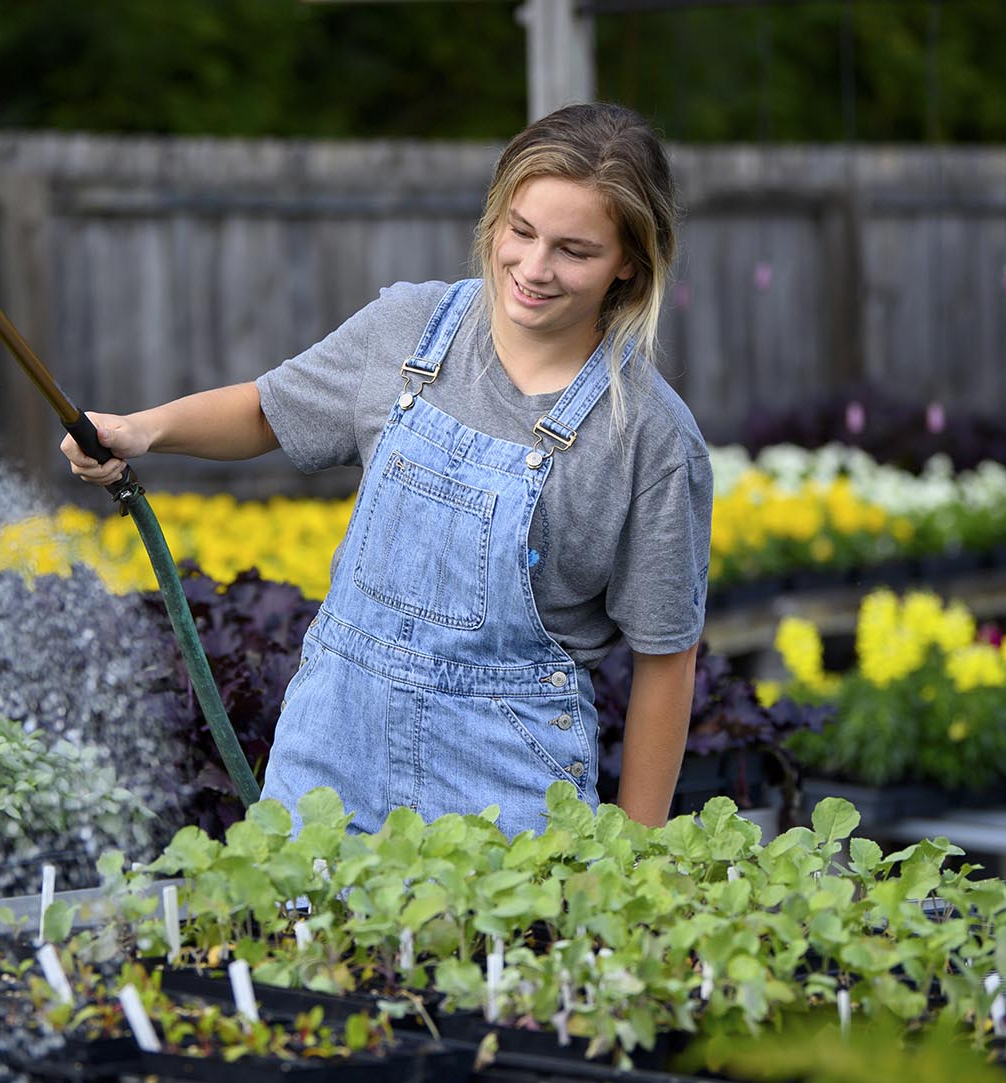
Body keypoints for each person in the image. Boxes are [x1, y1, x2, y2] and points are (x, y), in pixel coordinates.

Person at [62, 102, 711, 837]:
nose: (534, 268)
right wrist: (141, 429)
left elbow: (667, 657)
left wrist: (634, 859)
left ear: (630, 259)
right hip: (328, 762)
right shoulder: (408, 332)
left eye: (574, 250)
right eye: (520, 232)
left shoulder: (650, 439)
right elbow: (269, 409)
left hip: (506, 789)